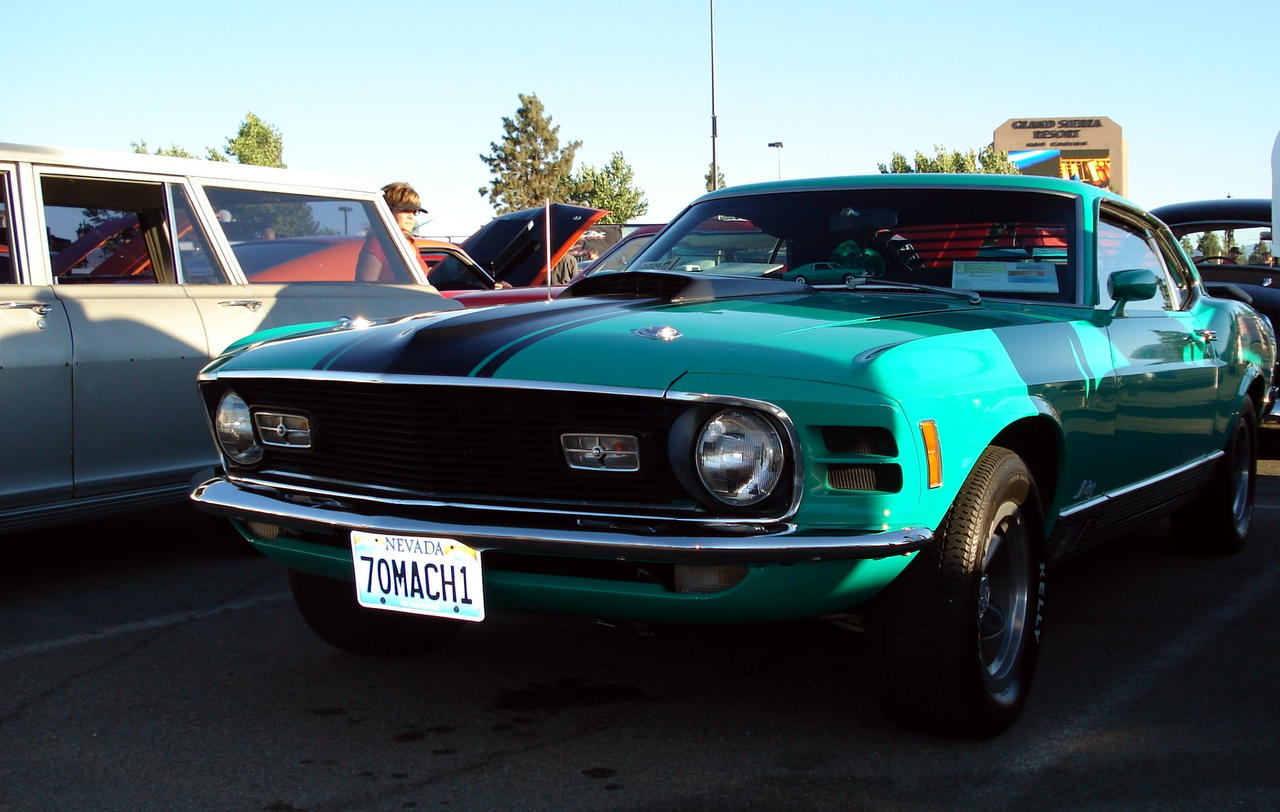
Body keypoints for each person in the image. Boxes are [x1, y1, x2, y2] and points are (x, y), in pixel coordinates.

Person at [356, 181, 429, 282]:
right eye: (405, 210)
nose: (411, 216)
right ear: (387, 209)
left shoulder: (410, 243)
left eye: (415, 211)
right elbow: (367, 289)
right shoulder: (378, 243)